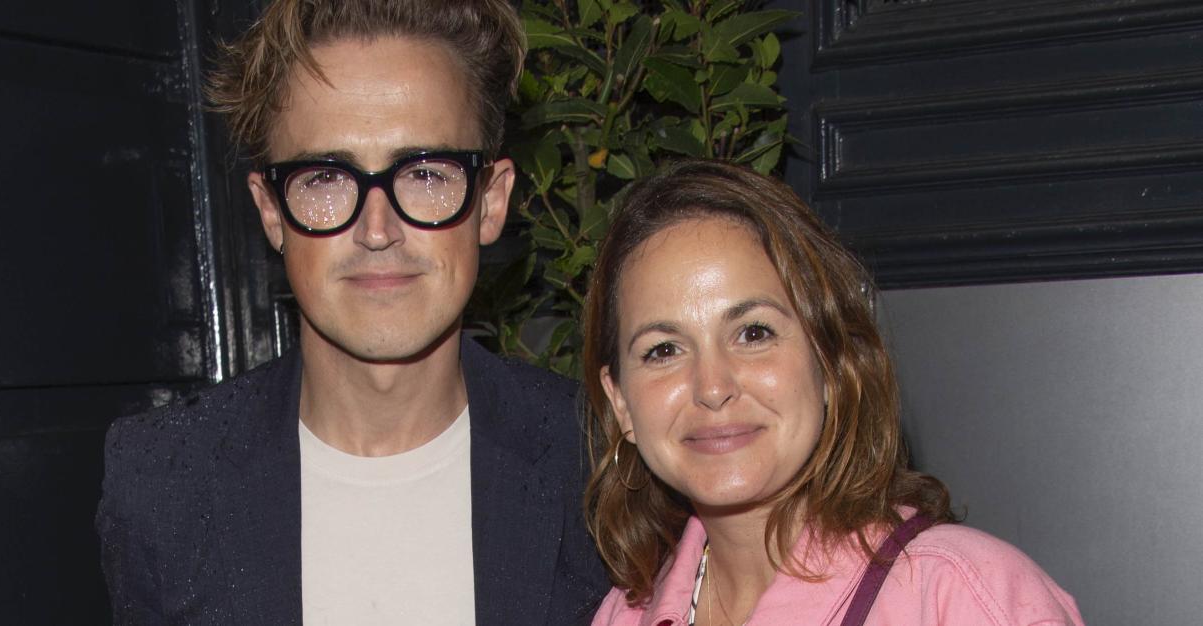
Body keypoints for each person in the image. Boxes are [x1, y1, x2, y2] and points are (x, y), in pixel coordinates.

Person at [95, 1, 609, 624]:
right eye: (324, 180)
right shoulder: (162, 484)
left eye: (425, 173)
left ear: (491, 201)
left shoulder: (603, 463)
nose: (377, 228)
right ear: (270, 211)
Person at [581, 159, 1085, 626]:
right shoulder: (622, 616)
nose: (712, 388)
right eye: (664, 350)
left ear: (830, 362)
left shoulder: (960, 596)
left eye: (754, 333)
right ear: (621, 401)